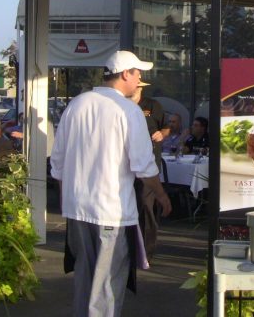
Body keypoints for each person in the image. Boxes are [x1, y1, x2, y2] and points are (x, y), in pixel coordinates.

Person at [51, 50, 172, 317]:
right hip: (111, 211)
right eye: (138, 73)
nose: (140, 78)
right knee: (107, 284)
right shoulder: (128, 110)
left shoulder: (77, 104)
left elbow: (57, 163)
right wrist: (161, 194)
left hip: (77, 209)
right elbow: (143, 165)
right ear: (126, 74)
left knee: (85, 276)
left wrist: (65, 200)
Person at [128, 82, 166, 261]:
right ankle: (127, 249)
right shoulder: (121, 105)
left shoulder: (152, 105)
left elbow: (166, 126)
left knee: (145, 205)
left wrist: (162, 134)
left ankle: (146, 252)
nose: (135, 88)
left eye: (138, 86)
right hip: (125, 166)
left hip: (149, 163)